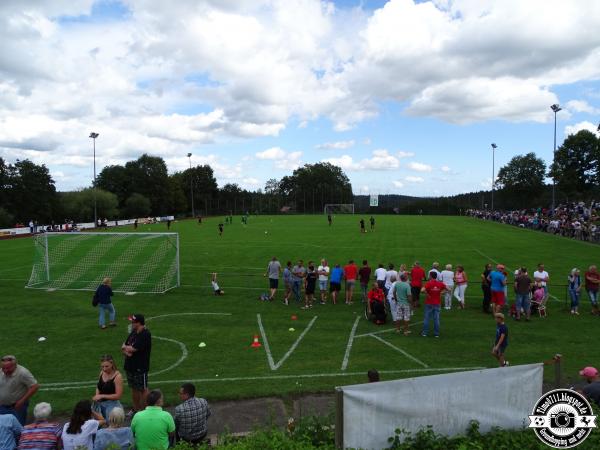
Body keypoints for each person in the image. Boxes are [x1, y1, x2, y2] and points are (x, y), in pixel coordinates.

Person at [122, 314, 152, 416]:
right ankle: (135, 409)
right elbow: (124, 346)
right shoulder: (134, 332)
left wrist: (128, 350)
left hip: (140, 367)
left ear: (138, 323)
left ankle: (145, 412)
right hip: (130, 366)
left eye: (133, 322)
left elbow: (132, 349)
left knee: (143, 389)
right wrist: (127, 350)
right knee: (134, 388)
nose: (131, 323)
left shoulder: (145, 334)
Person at [0, 355, 39, 425]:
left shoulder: (23, 373)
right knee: (3, 426)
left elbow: (34, 386)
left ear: (15, 365)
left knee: (18, 427)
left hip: (17, 407)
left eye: (8, 368)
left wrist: (21, 401)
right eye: (3, 368)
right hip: (2, 406)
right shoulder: (1, 371)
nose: (5, 371)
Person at [92, 355, 123, 422]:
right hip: (99, 403)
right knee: (96, 425)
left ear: (112, 364)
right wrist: (97, 395)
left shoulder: (118, 376)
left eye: (106, 366)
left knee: (111, 425)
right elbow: (98, 386)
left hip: (111, 404)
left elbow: (118, 396)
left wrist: (101, 396)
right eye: (102, 366)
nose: (104, 369)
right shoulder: (102, 373)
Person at [420, 272, 446, 337]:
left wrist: (427, 294)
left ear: (431, 276)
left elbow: (422, 290)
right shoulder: (440, 283)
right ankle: (436, 334)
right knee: (436, 319)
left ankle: (424, 333)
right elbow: (449, 289)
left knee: (427, 318)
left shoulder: (428, 283)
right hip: (437, 303)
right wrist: (441, 292)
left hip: (429, 303)